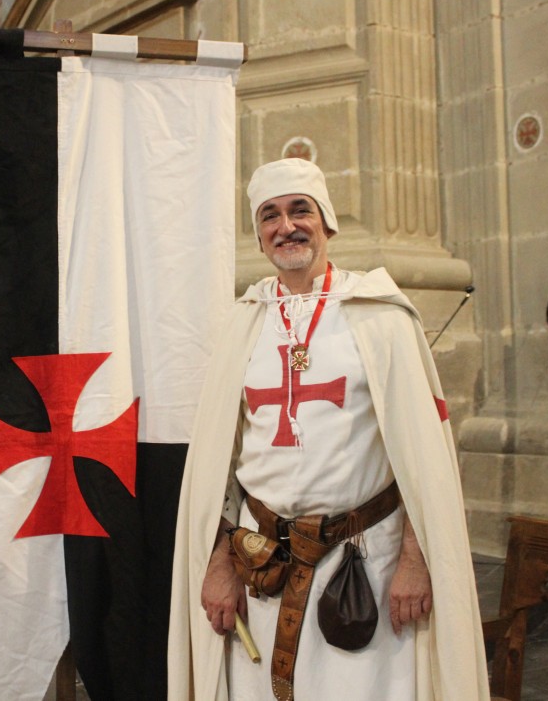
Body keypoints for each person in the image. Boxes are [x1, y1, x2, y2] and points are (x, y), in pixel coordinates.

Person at [167, 158, 489, 700]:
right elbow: (221, 464)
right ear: (259, 233)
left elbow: (426, 456)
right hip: (261, 559)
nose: (285, 226)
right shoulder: (244, 323)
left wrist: (416, 558)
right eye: (269, 215)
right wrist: (219, 562)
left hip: (368, 562)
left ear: (327, 223)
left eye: (300, 211)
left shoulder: (380, 317)